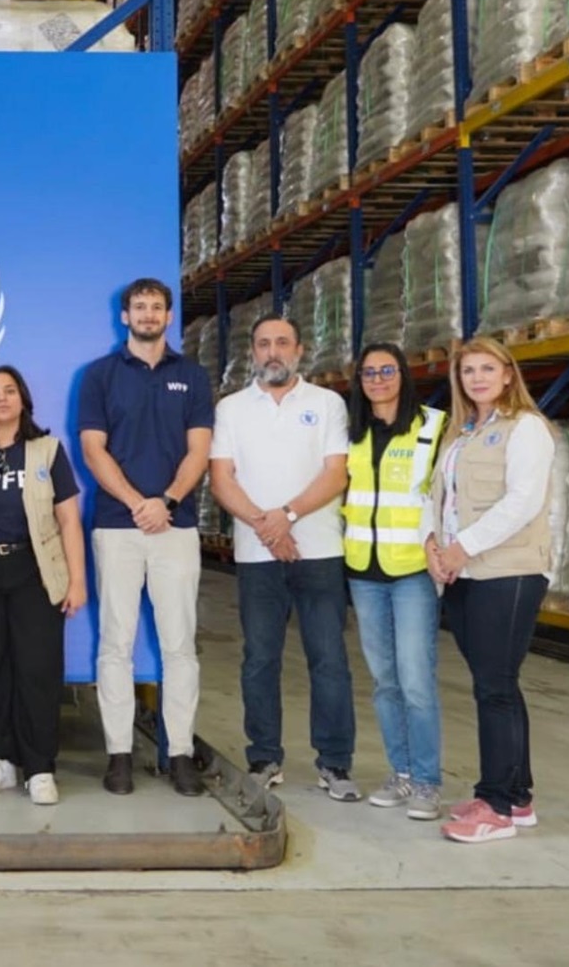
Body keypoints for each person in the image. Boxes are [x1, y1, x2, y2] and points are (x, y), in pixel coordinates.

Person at [210, 313, 359, 800]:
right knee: (259, 660)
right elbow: (222, 478)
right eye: (262, 344)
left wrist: (288, 516)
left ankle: (335, 764)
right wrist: (266, 525)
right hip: (257, 554)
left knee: (329, 660)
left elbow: (336, 474)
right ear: (252, 352)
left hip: (318, 551)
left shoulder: (327, 403)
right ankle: (264, 757)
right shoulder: (231, 409)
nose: (272, 351)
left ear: (299, 350)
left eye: (282, 343)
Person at [78, 277, 213, 797]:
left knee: (180, 645)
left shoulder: (193, 376)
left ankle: (178, 753)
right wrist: (139, 504)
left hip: (175, 528)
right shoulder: (101, 376)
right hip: (117, 526)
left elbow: (198, 450)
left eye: (157, 307)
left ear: (168, 315)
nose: (149, 315)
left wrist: (168, 503)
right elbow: (94, 450)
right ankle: (119, 756)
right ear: (125, 317)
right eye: (140, 307)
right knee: (116, 643)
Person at [429, 335, 555, 844]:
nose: (476, 378)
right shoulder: (461, 433)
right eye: (467, 371)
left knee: (495, 688)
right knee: (497, 683)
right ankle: (517, 796)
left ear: (508, 374)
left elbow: (523, 501)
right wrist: (434, 545)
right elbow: (439, 496)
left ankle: (497, 807)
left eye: (487, 368)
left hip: (509, 572)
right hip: (465, 573)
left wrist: (464, 547)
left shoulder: (526, 429)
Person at [0, 366, 87, 806]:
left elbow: (68, 518)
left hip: (37, 573)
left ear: (23, 400)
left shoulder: (46, 450)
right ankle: (0, 760)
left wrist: (77, 580)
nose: (1, 399)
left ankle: (40, 767)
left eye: (9, 392)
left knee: (38, 670)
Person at [342, 342, 446, 821]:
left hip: (411, 572)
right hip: (364, 570)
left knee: (416, 679)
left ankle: (427, 781)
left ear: (403, 374)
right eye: (369, 372)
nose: (378, 379)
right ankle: (400, 773)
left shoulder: (432, 426)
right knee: (385, 681)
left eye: (387, 370)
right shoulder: (353, 432)